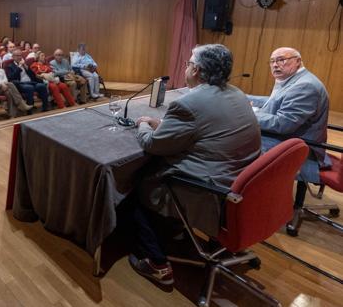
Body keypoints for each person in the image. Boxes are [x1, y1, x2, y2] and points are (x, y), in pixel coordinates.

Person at [127, 44, 261, 286]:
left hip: (208, 189)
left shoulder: (189, 103)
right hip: (240, 184)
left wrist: (144, 124)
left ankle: (156, 263)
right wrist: (164, 125)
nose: (186, 67)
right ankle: (177, 231)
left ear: (197, 70)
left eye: (188, 63)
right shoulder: (237, 93)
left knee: (136, 183)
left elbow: (153, 146)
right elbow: (206, 131)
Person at [247, 47, 329, 221]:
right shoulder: (294, 80)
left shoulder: (305, 86)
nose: (276, 65)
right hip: (293, 140)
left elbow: (283, 125)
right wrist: (244, 97)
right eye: (272, 61)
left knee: (239, 144)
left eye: (281, 60)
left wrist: (249, 113)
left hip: (303, 150)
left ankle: (250, 204)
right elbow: (274, 102)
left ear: (298, 61)